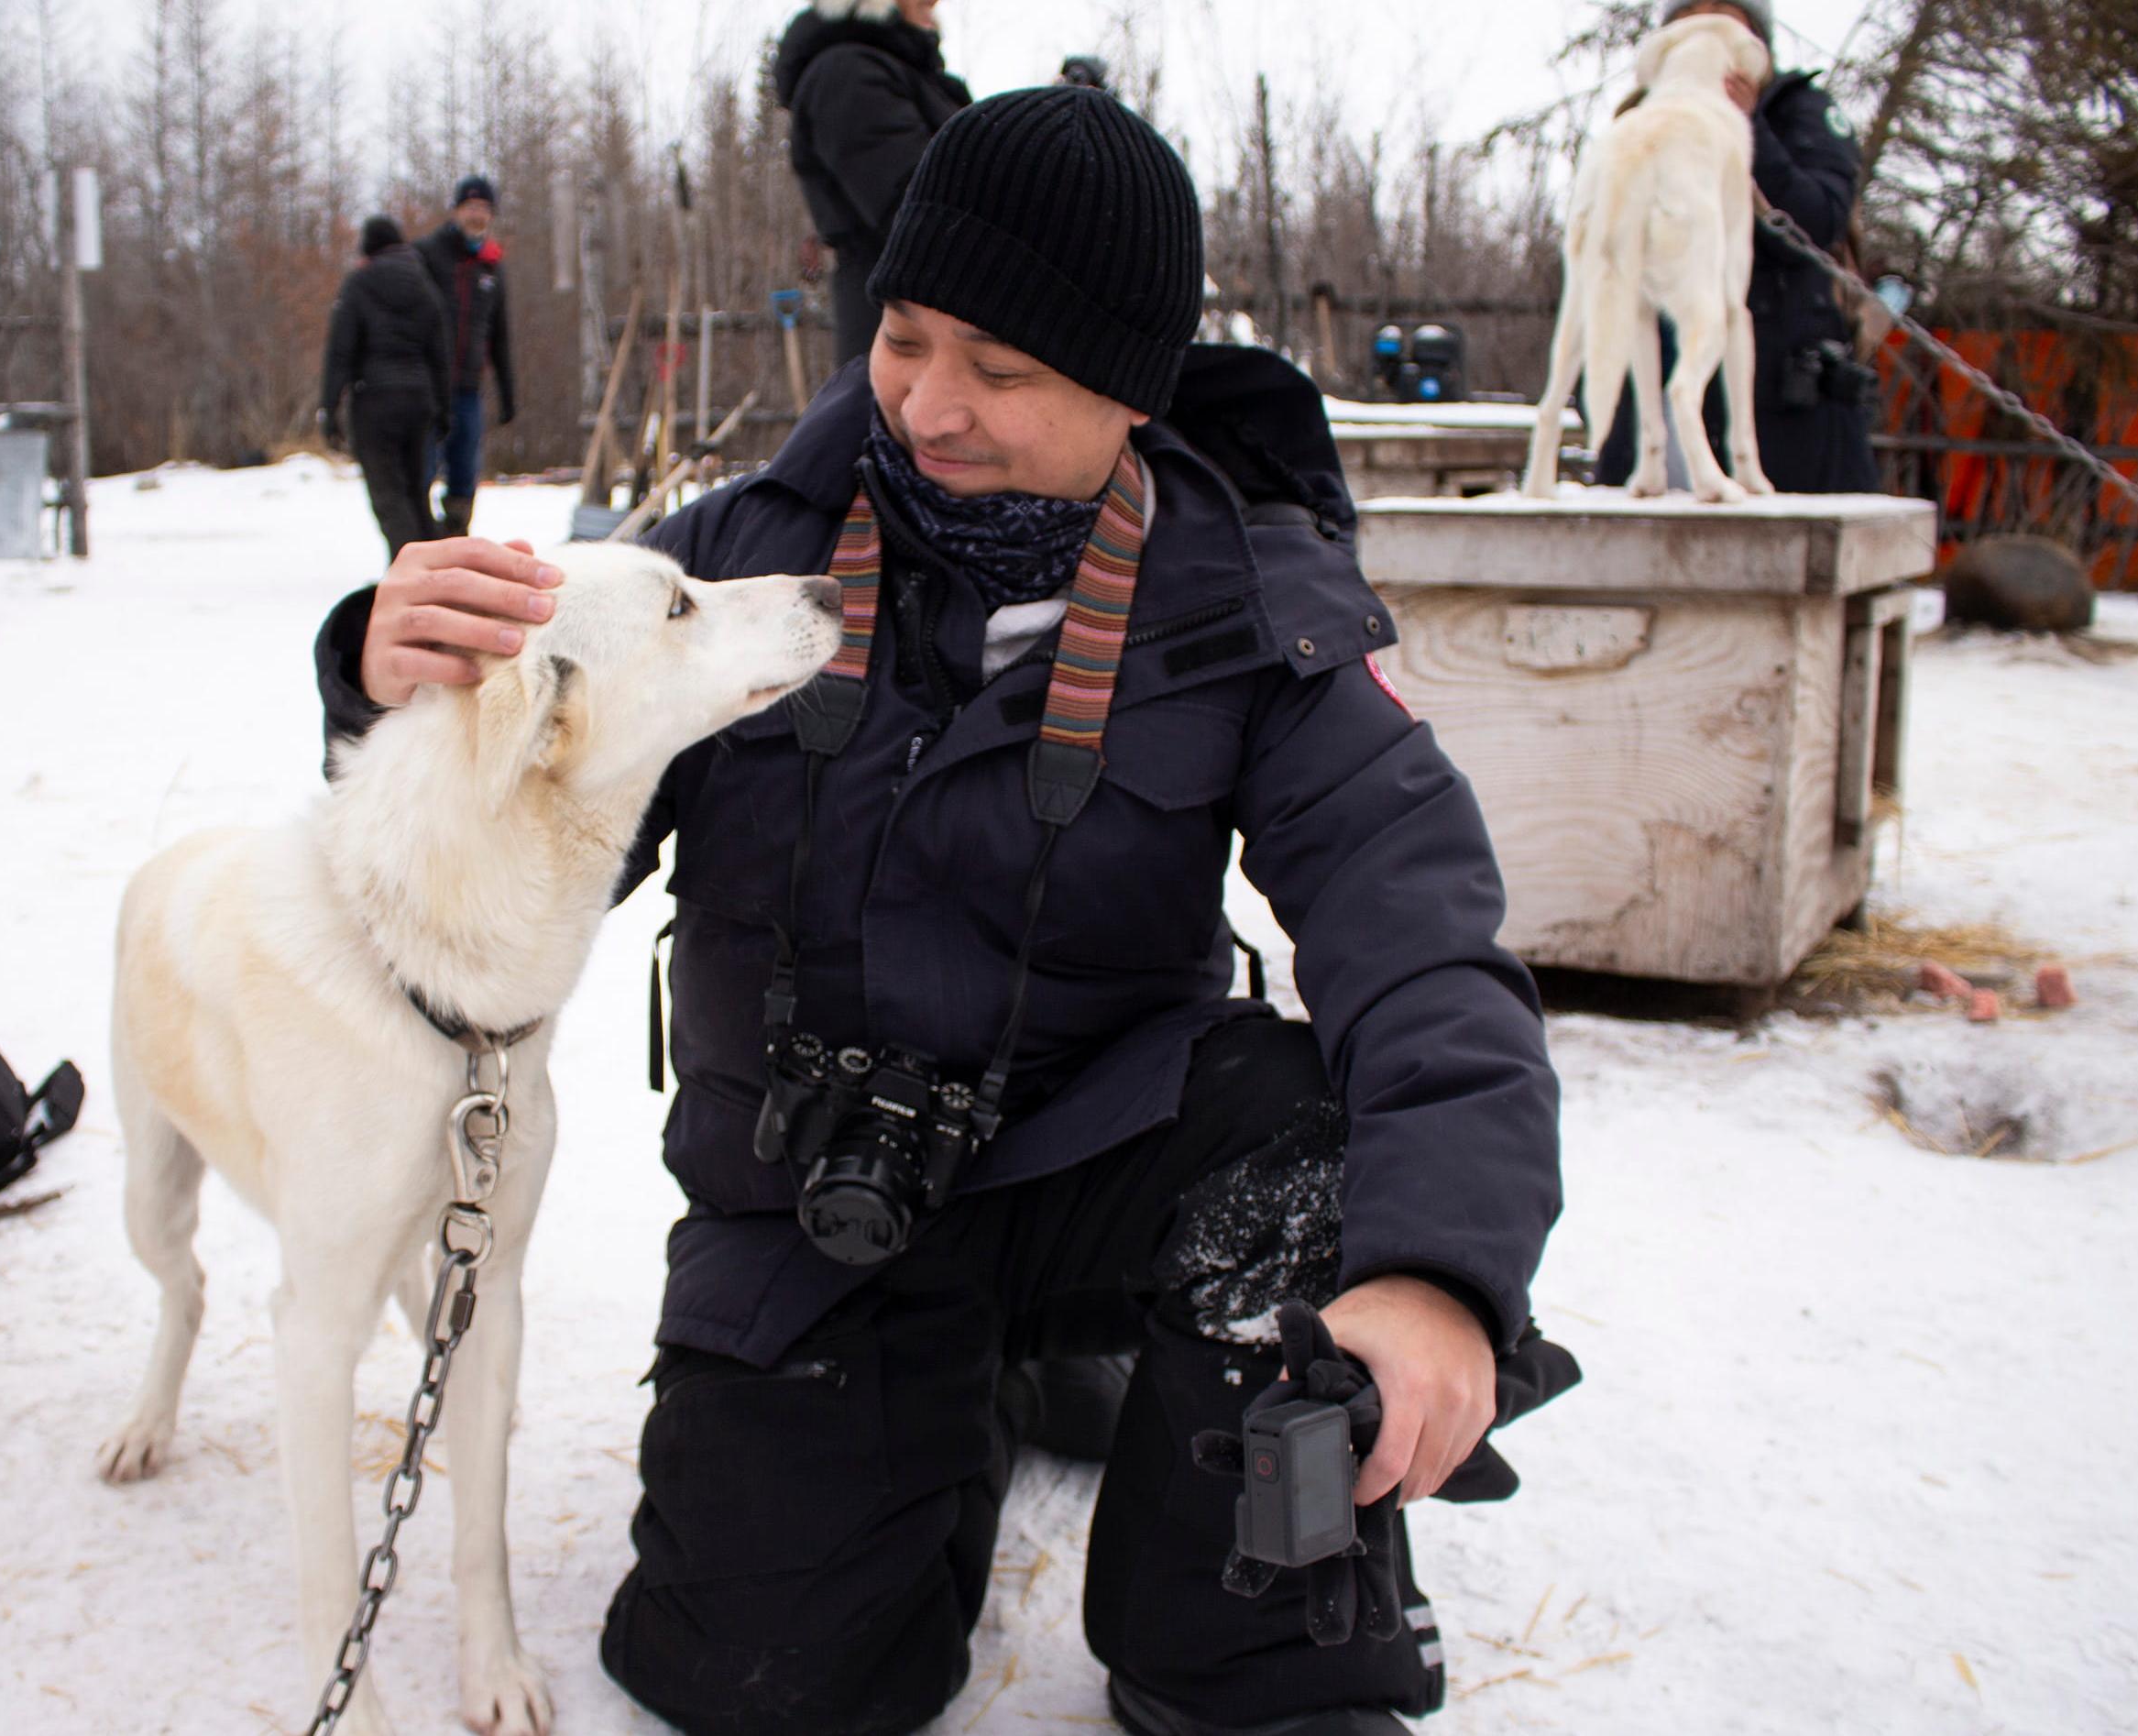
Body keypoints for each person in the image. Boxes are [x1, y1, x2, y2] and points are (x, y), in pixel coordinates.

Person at [317, 89, 1566, 1736]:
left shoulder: (1253, 598)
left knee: (1311, 1171)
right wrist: (389, 685)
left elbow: (1423, 945)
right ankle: (956, 1387)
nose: (927, 407)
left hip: (1103, 1155)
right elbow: (485, 868)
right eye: (904, 339)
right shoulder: (725, 572)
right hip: (817, 1180)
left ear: (1129, 389)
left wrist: (1438, 1271)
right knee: (765, 1679)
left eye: (1004, 367)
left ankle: (1238, 1645)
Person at [1592, 0, 1880, 493]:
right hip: (1653, 400)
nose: (1704, 31)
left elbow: (1815, 225)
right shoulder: (1640, 120)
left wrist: (1747, 130)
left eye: (1723, 15)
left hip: (1781, 416)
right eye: (1691, 17)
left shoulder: (1800, 110)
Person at [773, 0, 972, 371]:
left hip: (932, 326)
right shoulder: (848, 75)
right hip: (900, 335)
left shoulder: (904, 74)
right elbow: (919, 212)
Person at [318, 214, 453, 562]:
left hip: (375, 402)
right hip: (419, 400)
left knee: (388, 494)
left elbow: (340, 351)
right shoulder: (424, 285)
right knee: (416, 493)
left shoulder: (359, 284)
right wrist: (444, 408)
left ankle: (409, 573)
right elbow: (440, 351)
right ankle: (433, 570)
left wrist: (329, 408)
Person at [413, 175, 517, 538]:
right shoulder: (427, 254)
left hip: (467, 389)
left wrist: (508, 393)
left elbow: (500, 335)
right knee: (422, 469)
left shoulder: (491, 266)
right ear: (456, 210)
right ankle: (418, 543)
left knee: (464, 471)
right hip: (426, 387)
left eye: (484, 209)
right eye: (471, 207)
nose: (477, 215)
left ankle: (456, 541)